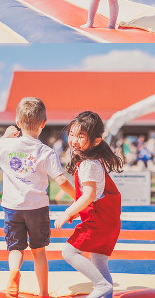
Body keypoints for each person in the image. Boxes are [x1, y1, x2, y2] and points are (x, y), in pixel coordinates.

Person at [0, 97, 76, 298]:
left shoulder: (6, 145)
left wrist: (4, 138)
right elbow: (60, 180)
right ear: (43, 124)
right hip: (37, 208)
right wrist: (78, 197)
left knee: (15, 248)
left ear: (17, 122)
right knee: (39, 251)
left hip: (12, 207)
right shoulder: (46, 152)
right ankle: (43, 293)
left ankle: (14, 271)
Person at [55, 112, 123, 298]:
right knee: (99, 262)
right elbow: (96, 194)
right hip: (107, 222)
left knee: (69, 252)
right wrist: (77, 210)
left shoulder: (88, 164)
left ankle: (101, 286)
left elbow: (89, 195)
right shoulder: (93, 161)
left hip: (98, 223)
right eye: (71, 134)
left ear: (96, 141)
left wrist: (67, 212)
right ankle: (105, 291)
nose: (74, 140)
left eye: (81, 136)